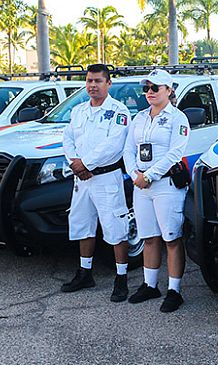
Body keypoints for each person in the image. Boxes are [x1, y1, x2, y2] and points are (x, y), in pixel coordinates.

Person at [61, 64, 131, 301]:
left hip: (105, 178)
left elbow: (113, 145)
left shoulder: (118, 111)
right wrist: (75, 164)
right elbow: (68, 138)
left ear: (108, 83)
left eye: (98, 81)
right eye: (89, 81)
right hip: (81, 179)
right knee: (82, 225)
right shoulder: (79, 111)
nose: (92, 85)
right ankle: (85, 273)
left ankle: (121, 278)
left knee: (115, 227)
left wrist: (86, 164)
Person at [123, 69, 190, 313]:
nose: (149, 92)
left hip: (165, 185)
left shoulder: (177, 118)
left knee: (171, 238)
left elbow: (175, 152)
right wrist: (135, 175)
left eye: (155, 88)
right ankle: (150, 285)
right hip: (141, 185)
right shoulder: (139, 117)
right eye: (146, 88)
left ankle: (175, 290)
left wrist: (149, 175)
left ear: (169, 91)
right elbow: (128, 150)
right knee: (148, 237)